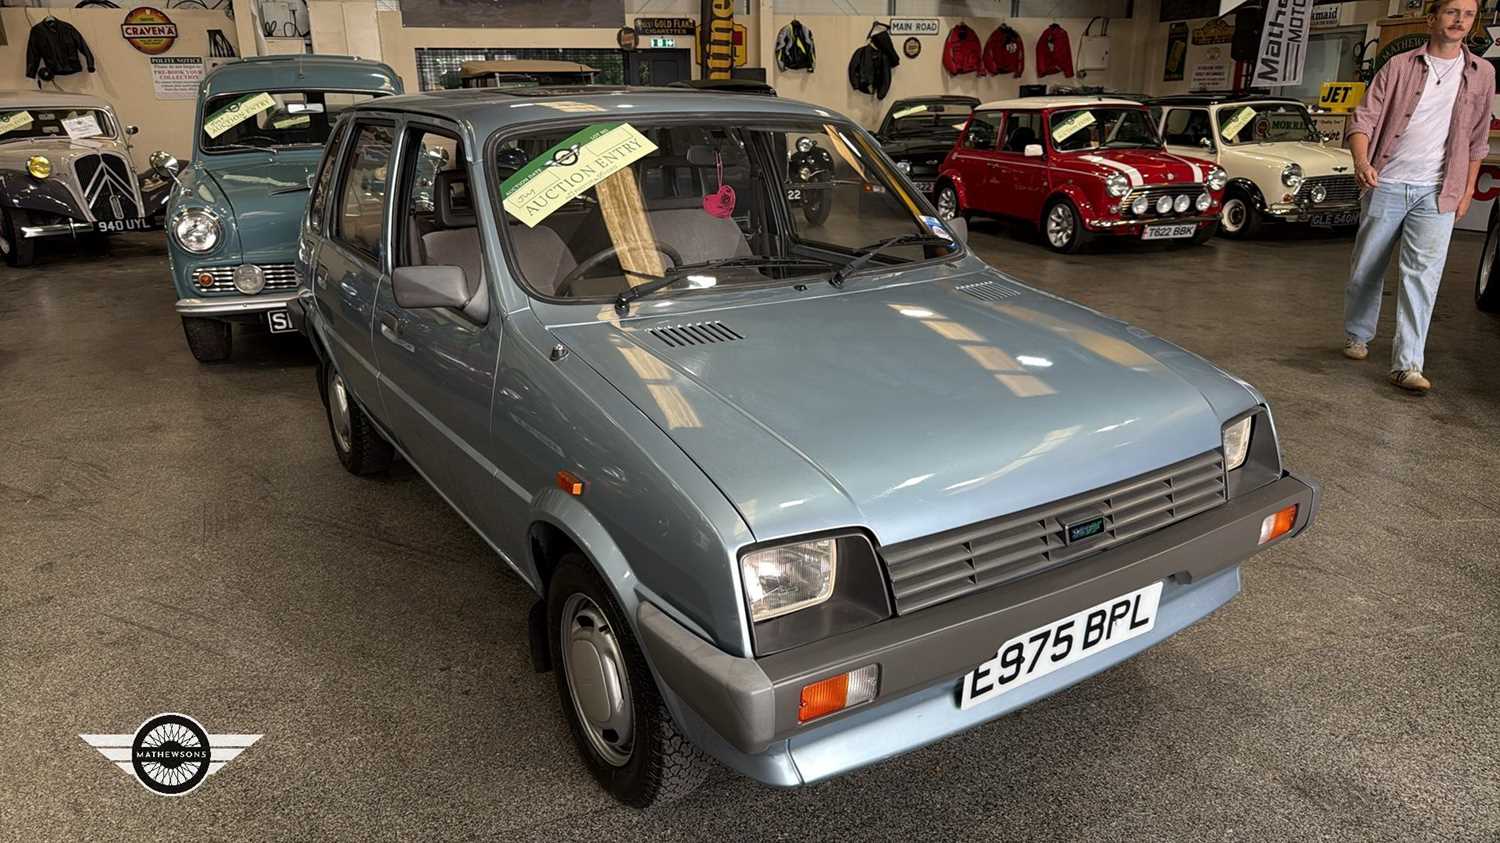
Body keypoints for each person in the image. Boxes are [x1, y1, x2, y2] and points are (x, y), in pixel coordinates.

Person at [1342, 0, 1494, 393]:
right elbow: (1363, 118)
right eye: (1452, 12)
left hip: (1438, 191)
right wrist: (1362, 161)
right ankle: (1358, 333)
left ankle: (1407, 364)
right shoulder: (1398, 66)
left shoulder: (1482, 73)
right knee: (1367, 268)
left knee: (1422, 277)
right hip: (1386, 182)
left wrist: (1466, 190)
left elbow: (1478, 140)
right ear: (1432, 18)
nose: (1460, 20)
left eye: (1468, 14)